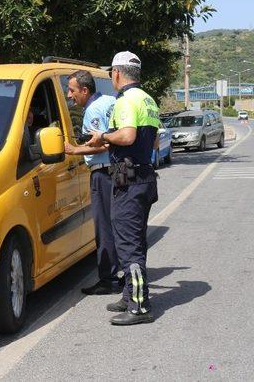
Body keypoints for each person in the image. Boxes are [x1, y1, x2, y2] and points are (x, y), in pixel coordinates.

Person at [86, 51, 160, 325]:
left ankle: (140, 307)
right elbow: (152, 143)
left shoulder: (126, 100)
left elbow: (127, 136)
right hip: (143, 177)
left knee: (128, 245)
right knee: (133, 240)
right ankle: (130, 295)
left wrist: (103, 135)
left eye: (110, 73)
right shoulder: (148, 99)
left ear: (116, 73)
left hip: (128, 180)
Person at [63, 70, 120, 295]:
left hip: (103, 173)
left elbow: (105, 143)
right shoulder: (109, 100)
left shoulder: (93, 110)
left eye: (72, 90)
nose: (69, 96)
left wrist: (75, 149)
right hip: (114, 171)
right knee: (115, 225)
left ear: (85, 91)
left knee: (104, 226)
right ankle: (120, 273)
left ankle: (108, 279)